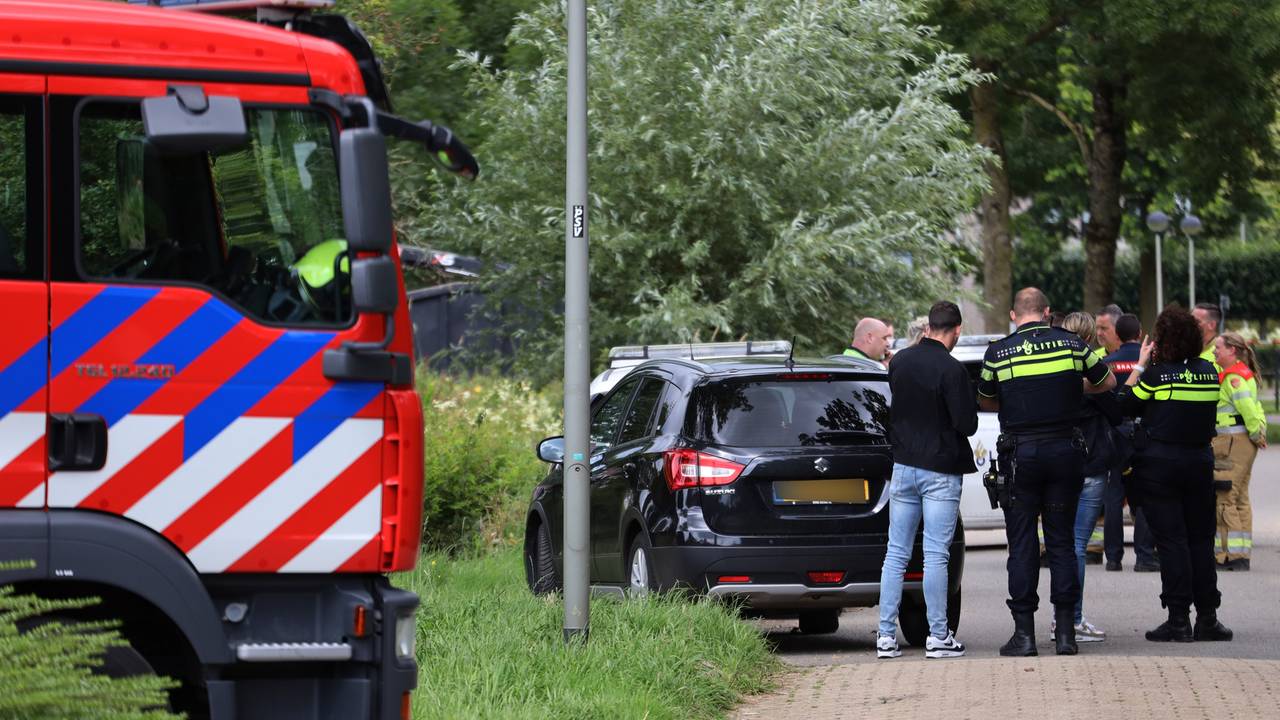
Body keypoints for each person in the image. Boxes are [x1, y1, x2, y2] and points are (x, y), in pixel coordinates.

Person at [977, 288, 1116, 656]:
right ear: (1047, 312)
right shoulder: (1072, 345)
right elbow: (1108, 383)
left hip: (1021, 454)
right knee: (1062, 543)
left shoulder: (998, 351)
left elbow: (986, 399)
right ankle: (1067, 635)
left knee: (1022, 544)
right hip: (1065, 452)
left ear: (1013, 314)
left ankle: (1024, 636)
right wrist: (1072, 387)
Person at [1119, 307, 1232, 643]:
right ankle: (1208, 617)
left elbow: (1123, 404)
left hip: (1160, 466)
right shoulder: (1210, 372)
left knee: (1172, 542)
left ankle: (1178, 618)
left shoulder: (1156, 375)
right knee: (1201, 541)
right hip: (1198, 463)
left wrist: (1140, 365)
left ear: (1161, 340)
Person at [877, 301, 976, 659]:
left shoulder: (900, 361)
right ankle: (938, 636)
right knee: (936, 555)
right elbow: (967, 424)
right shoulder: (952, 370)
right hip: (940, 470)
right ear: (957, 329)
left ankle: (885, 637)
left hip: (903, 467)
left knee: (896, 554)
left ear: (930, 326)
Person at [1056, 312, 1123, 643]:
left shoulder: (1052, 369)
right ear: (1091, 339)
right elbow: (1116, 410)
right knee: (1077, 546)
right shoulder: (1093, 373)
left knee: (1060, 544)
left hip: (1058, 464)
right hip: (1091, 464)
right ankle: (1074, 619)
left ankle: (1060, 619)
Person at [1102, 313, 1159, 573]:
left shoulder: (1107, 362)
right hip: (1142, 433)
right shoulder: (1150, 362)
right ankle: (1145, 556)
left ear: (1118, 334)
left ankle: (1113, 558)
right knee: (1145, 495)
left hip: (1113, 432)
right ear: (1139, 334)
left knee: (1113, 496)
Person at [1212, 331, 1267, 571]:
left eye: (1218, 348)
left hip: (1231, 442)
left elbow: (1248, 409)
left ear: (1232, 350)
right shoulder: (1240, 375)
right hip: (1239, 441)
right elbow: (1255, 407)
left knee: (1224, 497)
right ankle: (1241, 553)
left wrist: (1257, 433)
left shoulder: (1233, 378)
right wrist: (1257, 435)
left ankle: (1227, 555)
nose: (1214, 351)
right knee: (1240, 497)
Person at [1192, 303, 1222, 371]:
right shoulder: (1184, 351)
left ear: (1212, 325)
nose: (1191, 324)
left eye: (1197, 321)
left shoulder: (1222, 354)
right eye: (1190, 320)